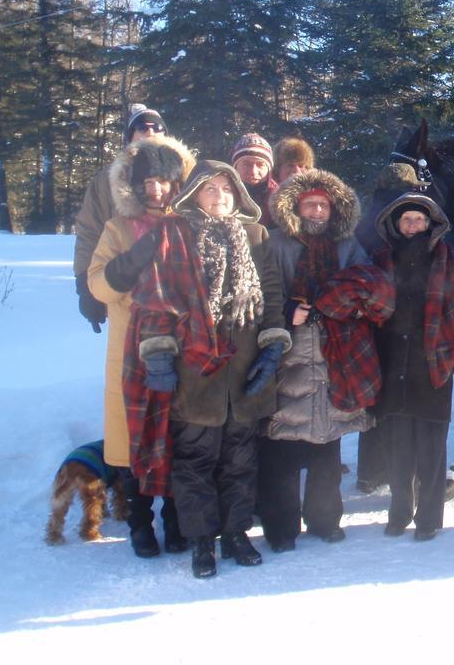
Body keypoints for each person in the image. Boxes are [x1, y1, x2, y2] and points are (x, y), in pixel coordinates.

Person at [123, 161, 290, 579]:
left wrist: (272, 342)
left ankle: (235, 533)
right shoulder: (174, 233)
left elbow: (271, 292)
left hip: (246, 366)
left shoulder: (255, 234)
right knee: (194, 460)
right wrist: (159, 356)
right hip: (195, 369)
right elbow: (156, 297)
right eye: (210, 188)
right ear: (194, 192)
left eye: (227, 189)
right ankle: (201, 541)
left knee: (240, 459)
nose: (220, 196)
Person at [258, 168, 391, 552]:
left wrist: (346, 304)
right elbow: (259, 293)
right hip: (288, 351)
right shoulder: (275, 243)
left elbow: (369, 286)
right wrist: (286, 312)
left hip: (336, 350)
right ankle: (281, 527)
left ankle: (324, 519)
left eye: (322, 205)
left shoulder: (348, 246)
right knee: (282, 441)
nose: (316, 211)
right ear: (295, 207)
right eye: (309, 204)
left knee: (326, 444)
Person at [87, 134, 194, 557]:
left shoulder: (188, 223)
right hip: (131, 347)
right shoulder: (117, 228)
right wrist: (131, 261)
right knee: (133, 436)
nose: (156, 189)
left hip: (180, 343)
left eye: (164, 181)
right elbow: (98, 286)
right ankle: (139, 523)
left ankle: (174, 517)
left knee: (175, 432)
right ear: (132, 185)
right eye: (147, 181)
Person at [373, 192, 454, 541]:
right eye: (406, 219)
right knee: (398, 447)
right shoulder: (381, 260)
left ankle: (429, 518)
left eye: (419, 219)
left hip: (433, 365)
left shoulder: (450, 261)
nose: (413, 225)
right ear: (395, 224)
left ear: (431, 224)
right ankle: (400, 511)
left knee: (432, 449)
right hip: (393, 365)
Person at [73, 104, 169, 333]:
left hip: (174, 286)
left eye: (157, 127)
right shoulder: (106, 180)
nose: (150, 131)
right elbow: (89, 232)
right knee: (126, 357)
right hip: (123, 285)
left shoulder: (184, 173)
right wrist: (85, 286)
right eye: (141, 127)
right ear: (130, 137)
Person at [231, 133, 278, 227]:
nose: (253, 171)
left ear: (269, 169)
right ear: (235, 167)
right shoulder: (222, 196)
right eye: (246, 164)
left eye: (260, 164)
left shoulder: (281, 200)